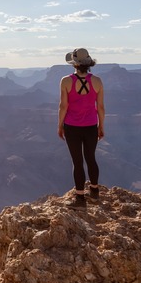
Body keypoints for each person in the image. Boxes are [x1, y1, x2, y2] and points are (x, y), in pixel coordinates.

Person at [57, 48, 105, 209]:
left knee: (77, 162)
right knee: (91, 158)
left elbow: (63, 106)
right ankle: (94, 191)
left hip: (72, 127)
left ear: (74, 64)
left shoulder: (65, 81)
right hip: (91, 126)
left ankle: (80, 199)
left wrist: (60, 126)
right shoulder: (97, 81)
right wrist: (101, 126)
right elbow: (101, 108)